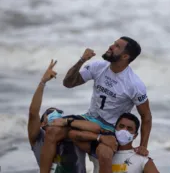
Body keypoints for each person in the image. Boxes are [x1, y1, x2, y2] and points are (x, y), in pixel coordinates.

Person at [40, 36, 153, 173]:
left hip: (110, 128)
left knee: (105, 153)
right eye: (113, 43)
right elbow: (68, 83)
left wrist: (143, 146)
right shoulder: (98, 67)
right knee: (52, 131)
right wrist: (82, 60)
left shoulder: (135, 84)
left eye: (117, 46)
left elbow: (146, 116)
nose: (111, 46)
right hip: (89, 119)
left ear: (125, 56)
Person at [27, 59, 86, 173]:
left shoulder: (74, 135)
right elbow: (33, 113)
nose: (56, 116)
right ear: (42, 124)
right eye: (50, 113)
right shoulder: (38, 139)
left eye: (59, 115)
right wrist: (43, 82)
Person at [51, 112, 159, 173]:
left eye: (129, 128)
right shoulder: (100, 149)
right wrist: (99, 137)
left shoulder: (142, 159)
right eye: (121, 127)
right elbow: (73, 135)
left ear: (135, 135)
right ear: (115, 129)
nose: (124, 131)